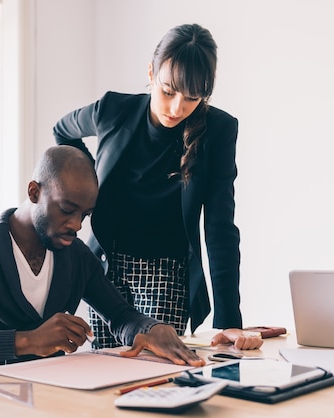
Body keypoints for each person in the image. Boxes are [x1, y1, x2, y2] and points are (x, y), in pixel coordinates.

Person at [0, 146, 258, 372]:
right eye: (67, 210)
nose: (75, 225)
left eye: (84, 215)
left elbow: (119, 315)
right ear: (34, 192)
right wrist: (27, 340)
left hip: (57, 398)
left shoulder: (76, 256)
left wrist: (149, 330)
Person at [53, 23, 243, 346]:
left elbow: (220, 228)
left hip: (166, 273)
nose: (176, 108)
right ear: (151, 71)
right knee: (107, 369)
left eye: (192, 98)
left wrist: (229, 320)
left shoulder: (218, 130)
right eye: (168, 91)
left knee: (157, 371)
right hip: (106, 265)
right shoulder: (113, 109)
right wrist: (91, 182)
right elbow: (63, 130)